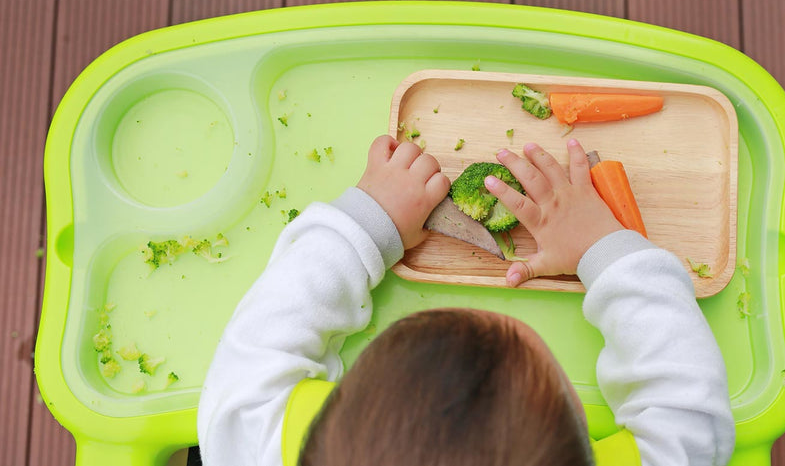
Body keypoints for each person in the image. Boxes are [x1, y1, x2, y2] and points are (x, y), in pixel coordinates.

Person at [197, 135, 735, 466]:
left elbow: (258, 344)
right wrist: (604, 248)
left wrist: (370, 220)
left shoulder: (260, 445)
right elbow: (689, 409)